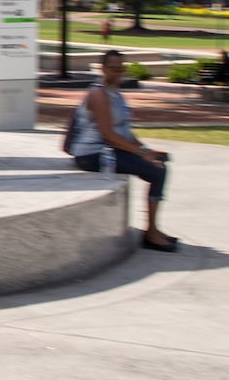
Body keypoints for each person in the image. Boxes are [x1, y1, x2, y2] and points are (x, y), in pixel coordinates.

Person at [67, 49, 177, 251]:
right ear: (103, 68)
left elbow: (125, 132)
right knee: (157, 171)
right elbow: (109, 135)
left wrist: (146, 150)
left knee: (160, 163)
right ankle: (151, 233)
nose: (118, 73)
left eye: (121, 68)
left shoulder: (117, 95)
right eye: (113, 68)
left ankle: (154, 228)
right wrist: (143, 155)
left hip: (109, 151)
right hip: (91, 155)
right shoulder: (98, 94)